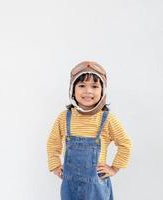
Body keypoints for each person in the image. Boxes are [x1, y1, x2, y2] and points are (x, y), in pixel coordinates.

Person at [47, 61, 132, 200]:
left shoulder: (107, 119)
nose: (88, 91)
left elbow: (125, 143)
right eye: (81, 85)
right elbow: (53, 141)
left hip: (96, 187)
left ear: (102, 91)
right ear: (72, 89)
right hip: (70, 185)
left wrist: (114, 168)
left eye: (94, 86)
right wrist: (55, 165)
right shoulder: (64, 117)